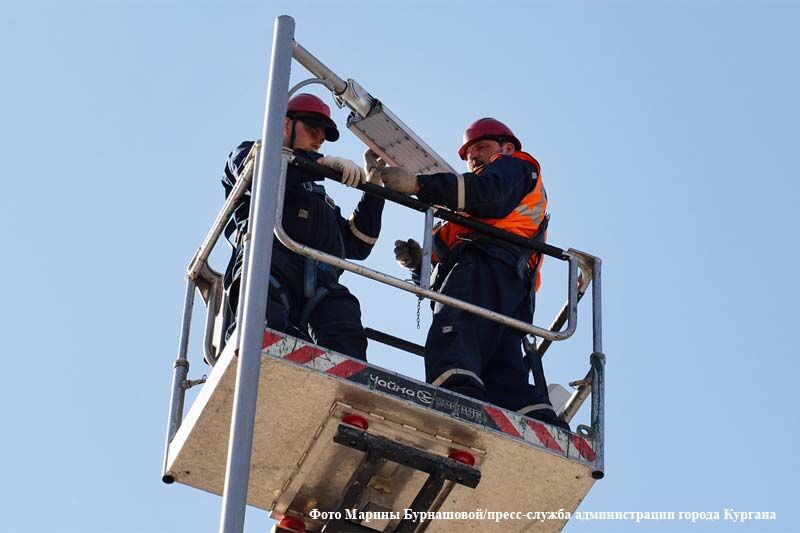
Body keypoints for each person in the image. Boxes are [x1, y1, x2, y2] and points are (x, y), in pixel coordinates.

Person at [371, 117, 568, 429]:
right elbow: (447, 244)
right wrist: (419, 261)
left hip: (487, 266)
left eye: (481, 147)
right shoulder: (476, 207)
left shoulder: (515, 166)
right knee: (499, 364)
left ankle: (455, 399)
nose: (473, 156)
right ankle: (537, 419)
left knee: (454, 329)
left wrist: (419, 185)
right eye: (468, 153)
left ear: (506, 147)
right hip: (510, 284)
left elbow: (487, 194)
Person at [221, 93, 384, 361]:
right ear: (286, 124)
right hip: (271, 264)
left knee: (343, 316)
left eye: (323, 136)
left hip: (319, 282)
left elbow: (357, 244)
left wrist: (373, 190)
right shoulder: (251, 153)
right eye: (312, 130)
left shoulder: (320, 201)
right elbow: (258, 174)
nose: (319, 140)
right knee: (263, 321)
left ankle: (350, 386)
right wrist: (319, 164)